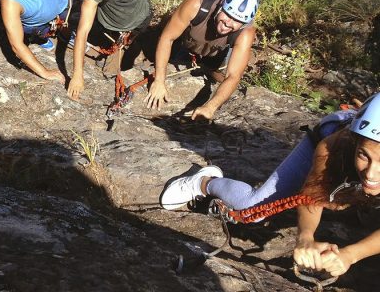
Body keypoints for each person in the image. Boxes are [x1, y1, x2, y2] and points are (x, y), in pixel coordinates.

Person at [160, 92, 380, 277]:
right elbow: (311, 196)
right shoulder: (333, 146)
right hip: (335, 137)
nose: (371, 172)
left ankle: (364, 205)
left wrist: (352, 254)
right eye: (364, 155)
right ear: (355, 144)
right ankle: (204, 182)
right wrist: (305, 237)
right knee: (253, 208)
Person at [145, 0, 259, 120]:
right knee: (173, 60)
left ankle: (208, 68)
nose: (229, 23)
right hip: (186, 45)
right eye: (228, 14)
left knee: (218, 78)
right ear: (221, 6)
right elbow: (167, 38)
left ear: (244, 23)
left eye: (237, 21)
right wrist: (159, 81)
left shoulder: (245, 32)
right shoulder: (197, 4)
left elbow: (233, 75)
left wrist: (210, 107)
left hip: (216, 53)